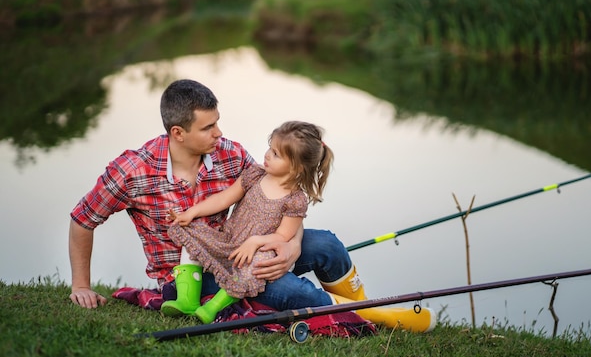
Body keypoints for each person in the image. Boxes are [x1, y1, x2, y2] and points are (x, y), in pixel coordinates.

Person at [68, 78, 436, 333]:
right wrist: (81, 285)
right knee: (290, 293)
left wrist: (289, 246)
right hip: (194, 276)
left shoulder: (230, 154)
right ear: (178, 133)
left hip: (246, 247)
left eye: (218, 123)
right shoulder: (134, 169)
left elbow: (280, 200)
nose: (220, 134)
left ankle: (366, 305)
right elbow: (83, 219)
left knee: (326, 246)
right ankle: (377, 318)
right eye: (208, 128)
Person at [162, 121, 333, 323]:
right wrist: (192, 212)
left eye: (276, 154)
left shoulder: (295, 200)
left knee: (259, 263)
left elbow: (282, 237)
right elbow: (224, 198)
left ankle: (213, 307)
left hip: (255, 254)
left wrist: (255, 242)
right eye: (271, 148)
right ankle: (187, 300)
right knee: (189, 229)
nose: (268, 154)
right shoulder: (256, 174)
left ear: (296, 168)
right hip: (230, 240)